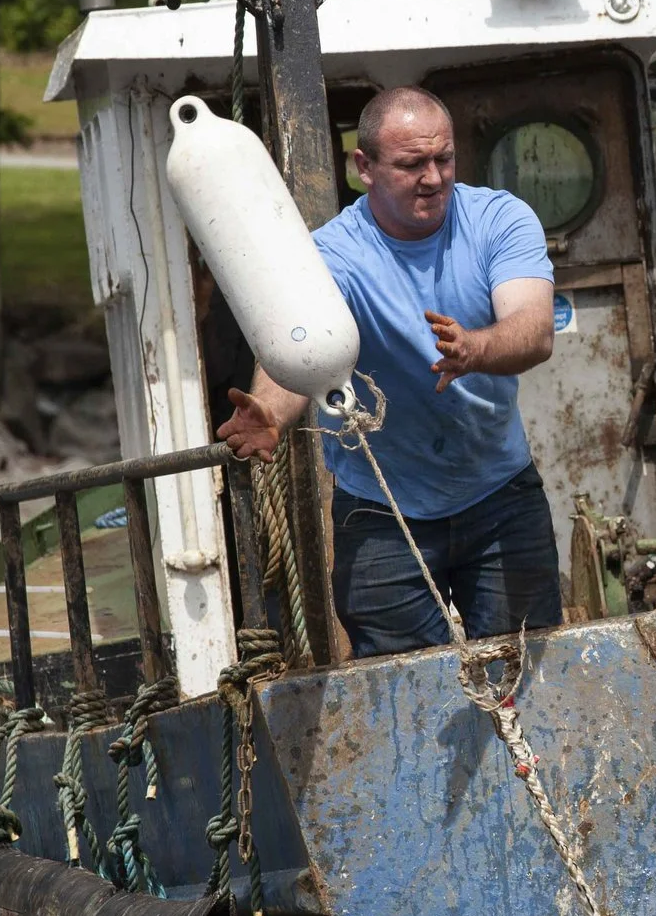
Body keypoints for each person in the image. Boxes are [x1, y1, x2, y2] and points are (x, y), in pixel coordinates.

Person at [215, 85, 564, 656]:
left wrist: (474, 349)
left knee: (522, 676)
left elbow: (534, 328)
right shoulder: (331, 255)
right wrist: (270, 413)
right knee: (400, 686)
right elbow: (301, 345)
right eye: (411, 164)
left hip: (500, 496)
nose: (433, 178)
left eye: (444, 158)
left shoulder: (500, 219)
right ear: (365, 167)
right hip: (379, 509)